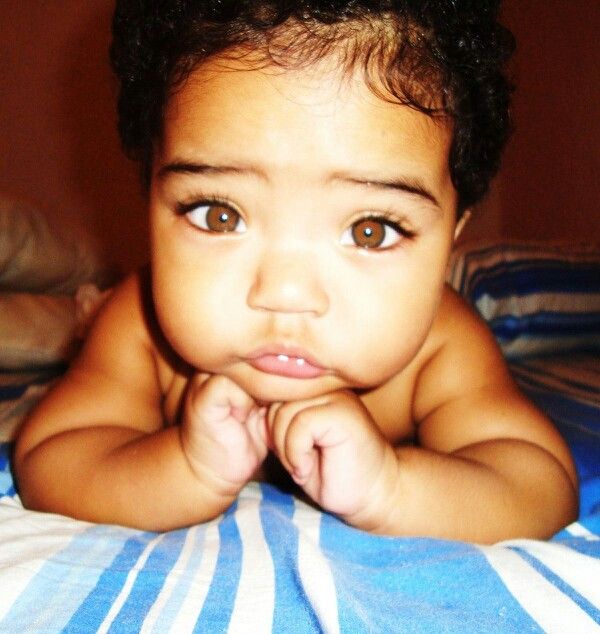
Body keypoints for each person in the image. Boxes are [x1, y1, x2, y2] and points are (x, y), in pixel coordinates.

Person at [14, 0, 578, 543]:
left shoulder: (441, 348)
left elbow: (539, 483)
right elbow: (52, 458)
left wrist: (390, 487)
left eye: (370, 230)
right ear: (152, 200)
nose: (285, 294)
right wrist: (187, 466)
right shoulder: (139, 326)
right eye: (219, 215)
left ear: (451, 238)